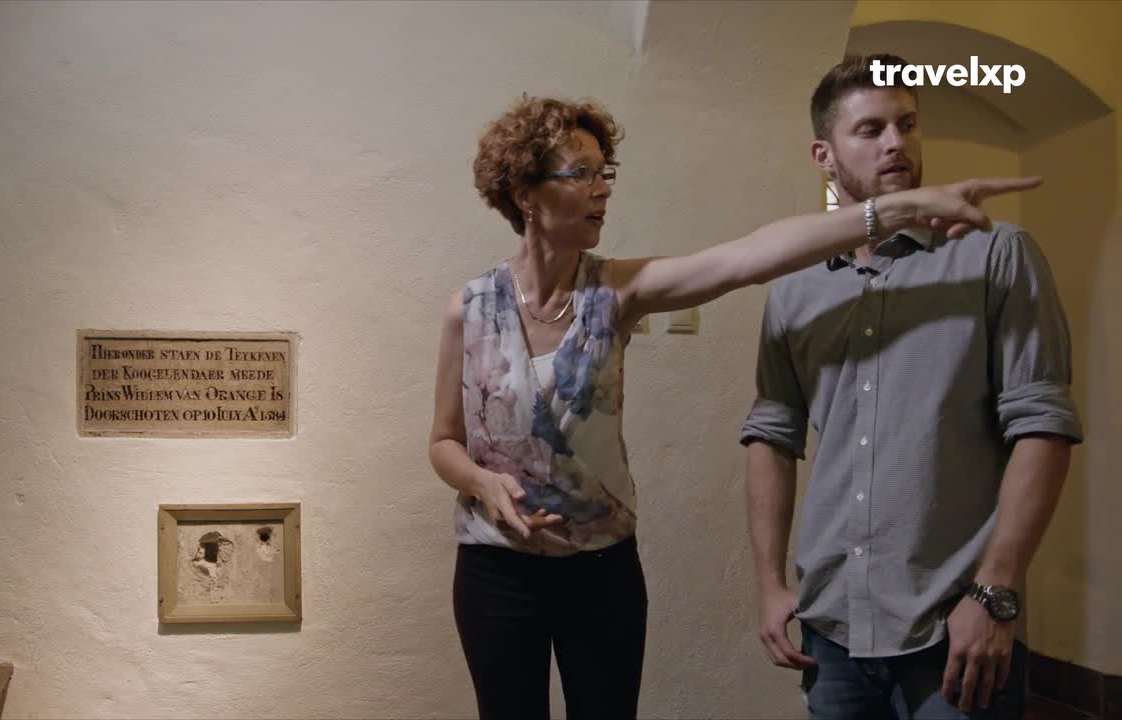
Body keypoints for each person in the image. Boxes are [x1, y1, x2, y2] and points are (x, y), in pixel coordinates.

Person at [429, 93, 1039, 720]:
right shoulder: (469, 309)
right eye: (579, 173)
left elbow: (750, 256)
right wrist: (482, 482)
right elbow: (443, 441)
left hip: (600, 569)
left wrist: (899, 208)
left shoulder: (615, 291)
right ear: (525, 193)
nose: (602, 189)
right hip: (495, 571)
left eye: (604, 172)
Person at [741, 55, 1083, 719]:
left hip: (955, 623)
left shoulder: (994, 254)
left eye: (907, 124)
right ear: (824, 154)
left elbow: (1043, 424)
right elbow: (771, 435)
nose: (896, 142)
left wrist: (996, 592)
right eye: (870, 130)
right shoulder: (794, 290)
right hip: (833, 627)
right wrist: (769, 584)